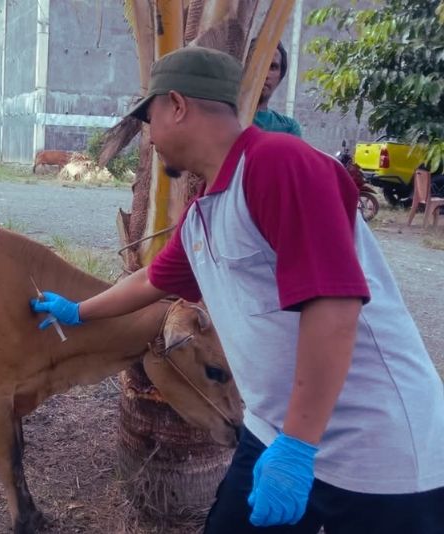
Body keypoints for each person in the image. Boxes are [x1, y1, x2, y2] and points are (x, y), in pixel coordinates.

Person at [30, 46, 444, 533]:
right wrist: (79, 311)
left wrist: (298, 448)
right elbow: (150, 280)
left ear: (178, 105)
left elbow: (333, 306)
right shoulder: (207, 212)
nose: (150, 136)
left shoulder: (279, 162)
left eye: (151, 117)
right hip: (274, 433)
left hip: (374, 457)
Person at [251, 41, 302, 136]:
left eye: (272, 67)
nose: (265, 74)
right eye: (258, 63)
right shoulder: (226, 119)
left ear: (280, 78)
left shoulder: (288, 127)